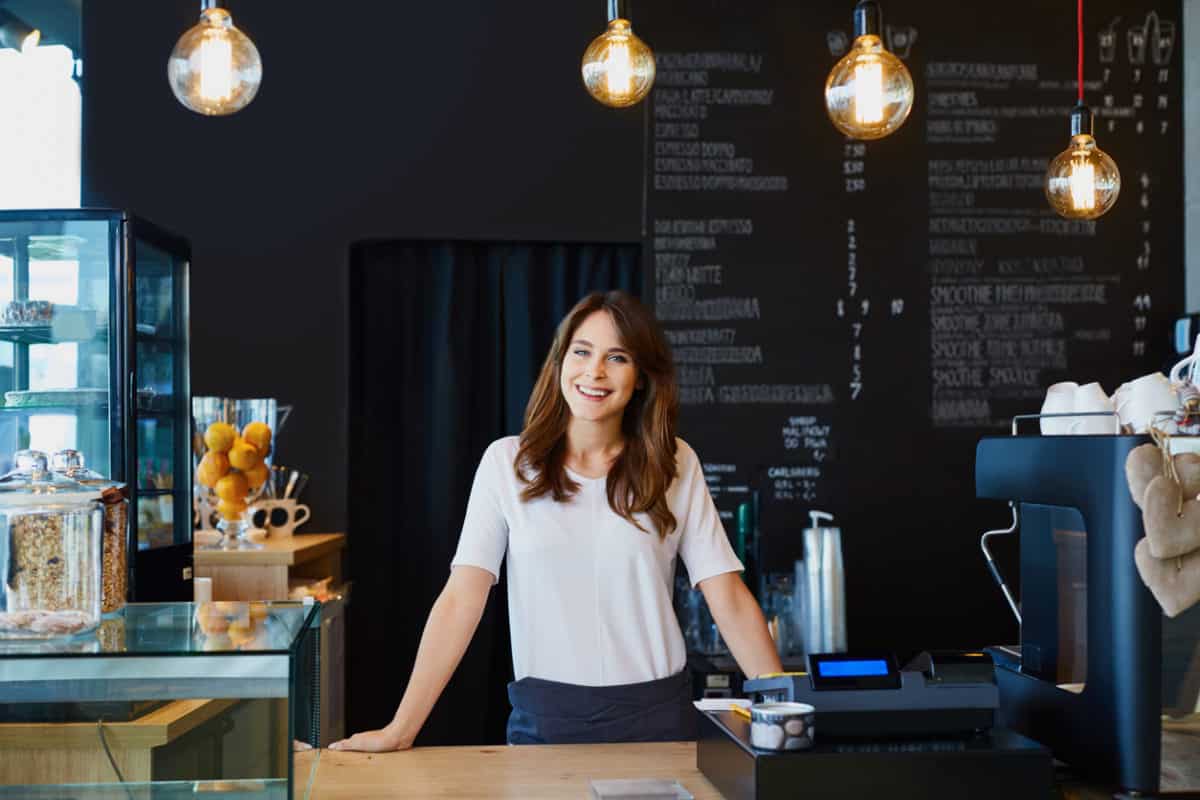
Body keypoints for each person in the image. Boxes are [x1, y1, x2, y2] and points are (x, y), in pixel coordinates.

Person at [330, 290, 781, 750]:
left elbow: (726, 595)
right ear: (560, 361)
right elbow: (460, 599)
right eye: (581, 352)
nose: (594, 371)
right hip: (546, 723)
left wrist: (781, 713)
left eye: (617, 357)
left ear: (642, 377)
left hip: (659, 719)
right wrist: (400, 730)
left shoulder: (675, 463)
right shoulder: (506, 463)